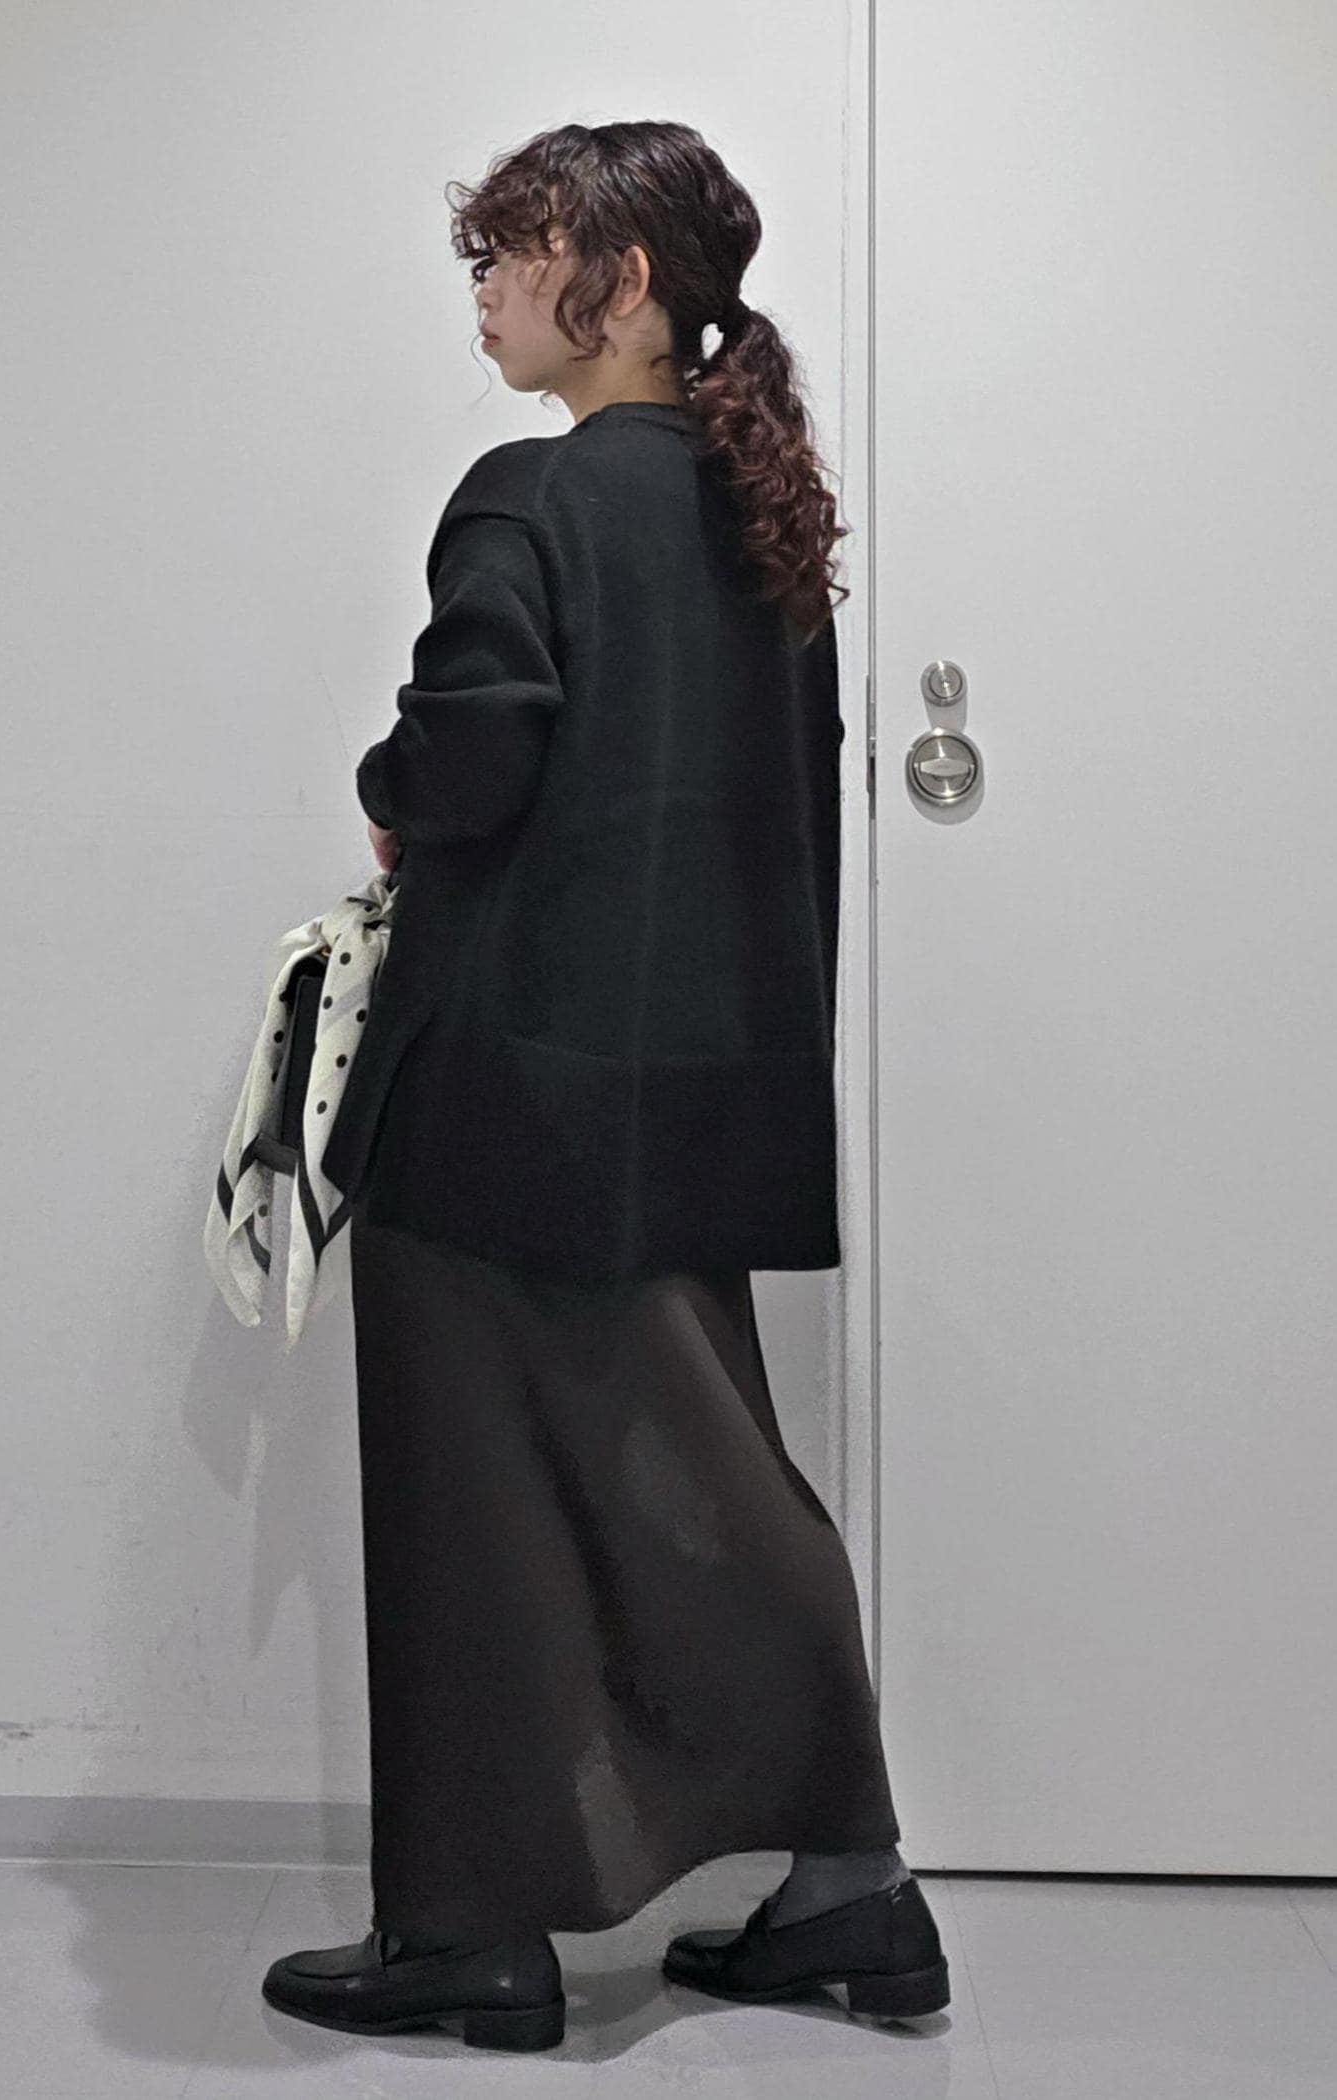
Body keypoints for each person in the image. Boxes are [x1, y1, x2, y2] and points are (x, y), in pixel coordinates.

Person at [261, 118, 949, 2054]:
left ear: (621, 284)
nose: (483, 290)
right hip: (695, 1094)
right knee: (703, 1478)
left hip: (498, 1096)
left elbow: (472, 754)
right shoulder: (764, 527)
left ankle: (476, 1933)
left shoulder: (531, 495)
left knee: (475, 1508)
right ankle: (844, 1889)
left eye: (514, 252)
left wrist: (389, 793)